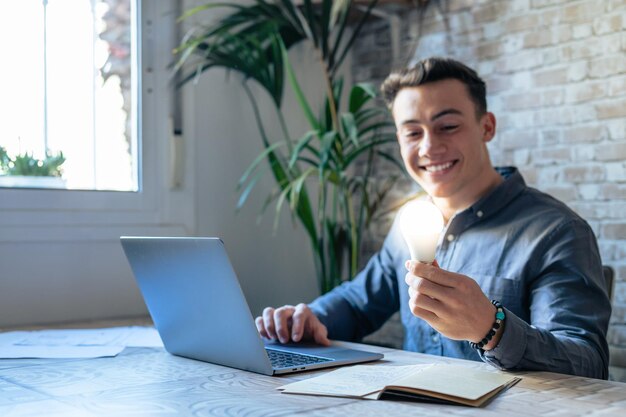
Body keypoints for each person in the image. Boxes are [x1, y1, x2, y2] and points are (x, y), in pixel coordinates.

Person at [255, 57, 611, 379]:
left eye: (448, 126)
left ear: (486, 127)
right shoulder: (411, 221)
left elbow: (586, 362)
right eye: (412, 132)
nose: (428, 147)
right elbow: (357, 302)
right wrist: (307, 319)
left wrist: (493, 329)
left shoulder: (556, 231)